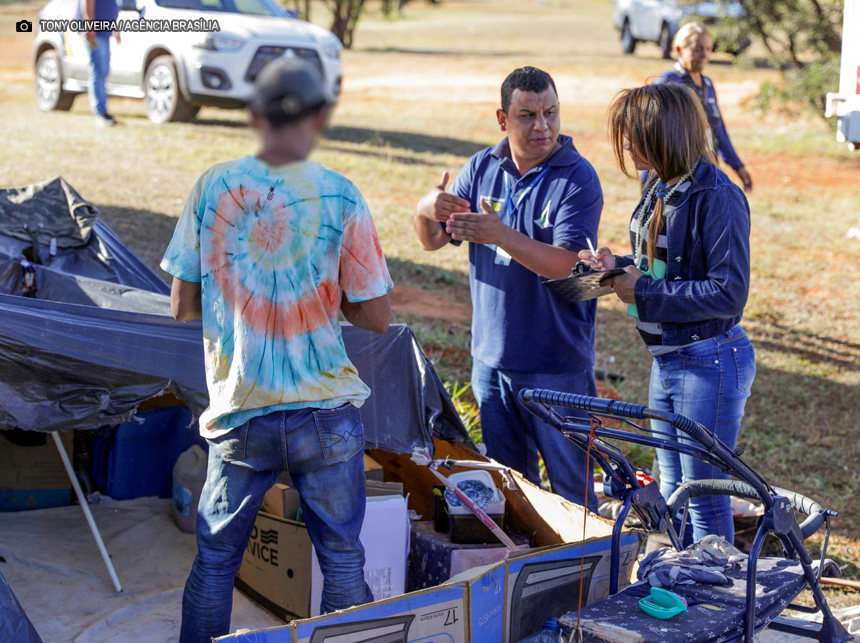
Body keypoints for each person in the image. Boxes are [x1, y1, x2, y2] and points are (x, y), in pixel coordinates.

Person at [161, 58, 393, 643]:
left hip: (242, 408)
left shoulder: (213, 187)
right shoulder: (341, 195)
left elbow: (181, 306)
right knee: (343, 561)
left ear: (255, 115)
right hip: (325, 411)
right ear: (317, 117)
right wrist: (321, 297)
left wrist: (237, 296)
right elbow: (376, 315)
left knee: (217, 562)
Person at [414, 66, 603, 511]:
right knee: (511, 493)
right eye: (527, 115)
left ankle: (587, 561)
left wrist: (501, 235)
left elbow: (568, 266)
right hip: (491, 363)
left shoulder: (577, 177)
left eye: (551, 112)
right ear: (502, 119)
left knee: (574, 494)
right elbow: (433, 239)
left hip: (555, 365)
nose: (542, 126)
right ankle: (529, 557)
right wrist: (425, 207)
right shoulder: (483, 166)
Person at [580, 82, 756, 544]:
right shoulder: (661, 184)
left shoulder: (718, 196)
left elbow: (728, 293)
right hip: (670, 359)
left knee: (704, 495)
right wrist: (618, 266)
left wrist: (643, 290)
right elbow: (663, 266)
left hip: (709, 360)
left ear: (665, 134)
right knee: (675, 488)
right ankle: (689, 573)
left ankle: (716, 580)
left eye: (634, 135)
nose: (626, 145)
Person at [654, 22, 753, 193]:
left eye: (708, 49)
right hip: (675, 175)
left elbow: (718, 130)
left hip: (706, 172)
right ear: (679, 50)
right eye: (697, 49)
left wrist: (738, 166)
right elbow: (651, 135)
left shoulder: (707, 84)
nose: (704, 54)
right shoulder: (667, 84)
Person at [79, 0, 120, 127]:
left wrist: (115, 28)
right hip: (95, 32)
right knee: (98, 70)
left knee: (104, 71)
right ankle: (100, 113)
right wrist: (89, 24)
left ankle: (103, 111)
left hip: (104, 32)